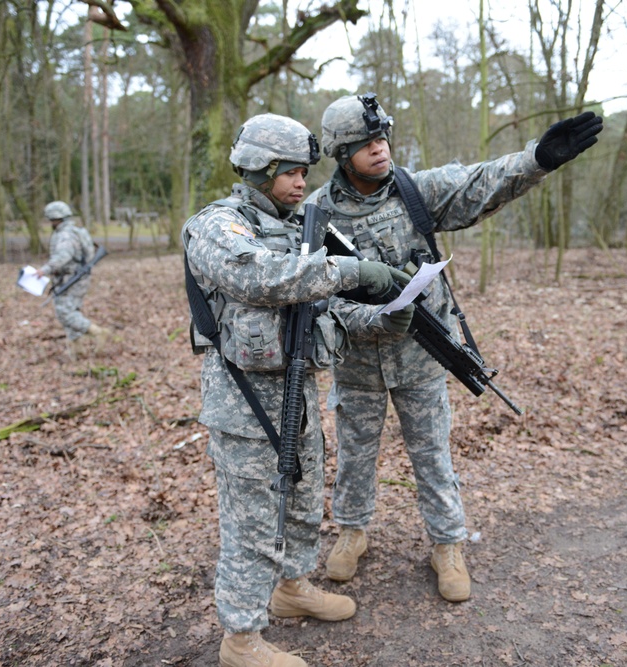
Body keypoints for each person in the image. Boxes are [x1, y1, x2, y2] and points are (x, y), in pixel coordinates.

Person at [307, 93, 603, 602]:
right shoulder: (314, 215)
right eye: (365, 143)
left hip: (423, 356)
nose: (380, 149)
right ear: (341, 153)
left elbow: (480, 180)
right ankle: (352, 531)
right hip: (354, 361)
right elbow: (308, 294)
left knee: (433, 454)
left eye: (382, 137)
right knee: (355, 455)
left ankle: (447, 543)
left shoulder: (414, 191)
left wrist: (537, 158)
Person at [182, 112, 413, 667]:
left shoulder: (293, 228)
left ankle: (292, 589)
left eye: (305, 172)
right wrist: (355, 271)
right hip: (242, 404)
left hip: (297, 396)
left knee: (306, 505)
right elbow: (265, 278)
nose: (301, 183)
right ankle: (240, 640)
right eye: (289, 172)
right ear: (258, 170)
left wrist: (386, 317)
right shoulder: (218, 225)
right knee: (252, 523)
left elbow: (321, 310)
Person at [35, 201, 108, 359]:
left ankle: (97, 332)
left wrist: (44, 270)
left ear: (55, 218)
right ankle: (77, 350)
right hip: (74, 278)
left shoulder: (65, 235)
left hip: (71, 279)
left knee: (65, 312)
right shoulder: (74, 231)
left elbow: (63, 256)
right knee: (71, 310)